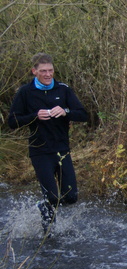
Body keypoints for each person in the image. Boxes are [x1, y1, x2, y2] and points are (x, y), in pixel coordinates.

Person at [8, 53, 89, 234]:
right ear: (34, 71)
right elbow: (12, 122)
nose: (47, 74)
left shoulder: (63, 89)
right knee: (51, 196)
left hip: (61, 149)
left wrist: (66, 111)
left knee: (71, 197)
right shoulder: (25, 92)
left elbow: (83, 115)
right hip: (39, 150)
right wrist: (34, 116)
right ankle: (49, 234)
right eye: (43, 71)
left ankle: (44, 208)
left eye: (50, 70)